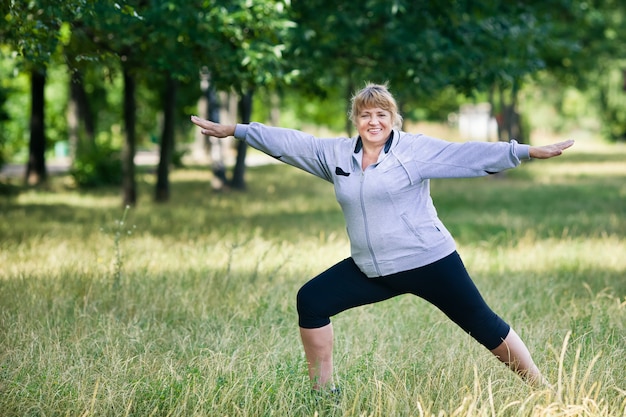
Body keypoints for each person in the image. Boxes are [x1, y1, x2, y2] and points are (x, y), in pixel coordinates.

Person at [191, 83, 574, 391]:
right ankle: (322, 393)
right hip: (372, 268)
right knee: (311, 300)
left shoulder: (414, 150)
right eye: (365, 114)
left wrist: (523, 151)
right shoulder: (337, 155)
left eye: (382, 114)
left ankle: (543, 390)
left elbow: (467, 155)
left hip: (428, 260)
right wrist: (237, 131)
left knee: (482, 324)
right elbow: (292, 143)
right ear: (355, 119)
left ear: (393, 118)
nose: (373, 121)